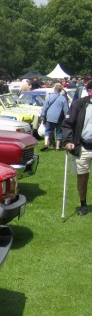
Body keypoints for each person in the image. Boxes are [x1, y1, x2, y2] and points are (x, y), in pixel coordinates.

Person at [61, 80, 92, 216]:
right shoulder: (79, 104)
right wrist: (67, 141)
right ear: (90, 91)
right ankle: (83, 204)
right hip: (83, 146)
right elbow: (67, 124)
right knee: (82, 176)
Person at [40, 83, 69, 151]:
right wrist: (67, 117)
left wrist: (43, 115)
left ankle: (46, 144)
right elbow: (66, 110)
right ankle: (58, 147)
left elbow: (45, 107)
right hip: (59, 117)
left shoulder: (49, 96)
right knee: (59, 131)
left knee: (48, 130)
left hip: (49, 116)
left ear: (54, 88)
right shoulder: (63, 98)